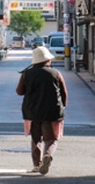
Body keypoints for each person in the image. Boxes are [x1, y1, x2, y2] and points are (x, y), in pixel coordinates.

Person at [15, 46, 68, 175]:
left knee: (36, 138)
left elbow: (19, 91)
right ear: (47, 60)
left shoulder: (26, 74)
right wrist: (63, 107)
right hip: (51, 111)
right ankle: (47, 155)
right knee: (50, 139)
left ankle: (37, 164)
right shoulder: (56, 73)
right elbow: (64, 93)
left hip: (32, 111)